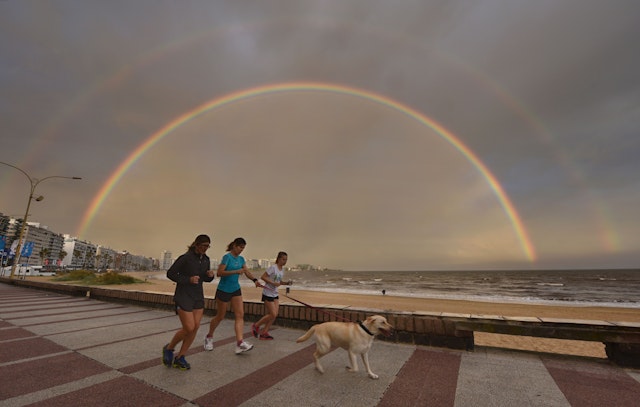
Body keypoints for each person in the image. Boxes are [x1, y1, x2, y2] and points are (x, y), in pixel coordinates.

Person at [162, 234, 215, 370]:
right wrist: (188, 279)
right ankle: (169, 348)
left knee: (195, 327)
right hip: (183, 295)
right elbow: (171, 274)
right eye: (203, 246)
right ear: (196, 244)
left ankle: (180, 357)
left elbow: (204, 278)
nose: (205, 248)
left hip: (198, 296)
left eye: (207, 246)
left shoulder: (206, 260)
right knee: (189, 327)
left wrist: (210, 276)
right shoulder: (185, 258)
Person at [204, 237, 262, 354]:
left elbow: (246, 272)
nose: (241, 250)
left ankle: (240, 343)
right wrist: (235, 271)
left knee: (240, 315)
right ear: (235, 246)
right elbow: (219, 273)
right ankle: (209, 337)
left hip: (235, 289)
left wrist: (255, 280)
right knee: (220, 316)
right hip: (223, 290)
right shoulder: (227, 257)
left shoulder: (241, 259)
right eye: (240, 247)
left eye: (243, 248)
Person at [252, 251, 292, 340]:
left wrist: (286, 283)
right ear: (278, 259)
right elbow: (263, 277)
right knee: (273, 314)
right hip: (267, 293)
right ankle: (256, 325)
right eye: (283, 259)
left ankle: (264, 332)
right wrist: (273, 283)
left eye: (286, 260)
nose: (285, 261)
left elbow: (279, 281)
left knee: (274, 314)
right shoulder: (273, 268)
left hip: (275, 293)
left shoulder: (282, 270)